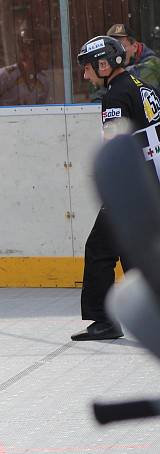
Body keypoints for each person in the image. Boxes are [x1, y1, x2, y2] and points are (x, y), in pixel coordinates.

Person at [72, 35, 160, 340]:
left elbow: (115, 146)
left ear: (104, 63)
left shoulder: (115, 96)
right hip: (153, 181)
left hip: (137, 186)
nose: (85, 75)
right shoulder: (141, 85)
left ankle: (104, 321)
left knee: (98, 249)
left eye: (87, 68)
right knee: (129, 249)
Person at [0, 22, 50, 107]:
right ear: (29, 51)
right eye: (45, 50)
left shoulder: (43, 82)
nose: (49, 55)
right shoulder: (4, 76)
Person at [107, 24, 160, 91]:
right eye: (112, 49)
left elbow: (132, 89)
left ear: (135, 47)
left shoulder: (152, 64)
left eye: (121, 47)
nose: (116, 53)